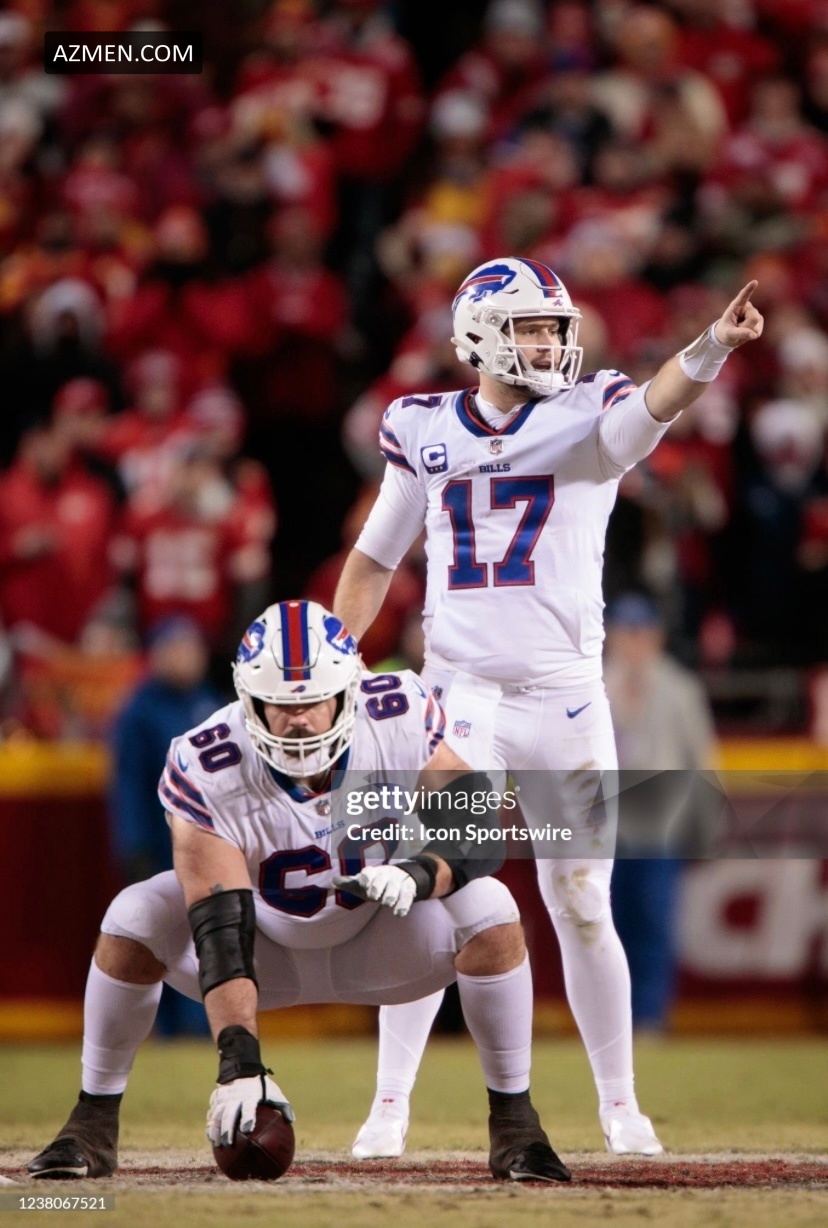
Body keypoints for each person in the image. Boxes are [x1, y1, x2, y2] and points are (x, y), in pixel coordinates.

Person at [332, 256, 763, 1158]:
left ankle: (620, 1106)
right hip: (459, 697)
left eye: (554, 328)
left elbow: (657, 404)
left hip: (566, 700)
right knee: (429, 896)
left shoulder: (587, 414)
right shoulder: (423, 428)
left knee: (581, 900)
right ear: (482, 334)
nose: (550, 344)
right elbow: (374, 560)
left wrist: (712, 347)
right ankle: (388, 1108)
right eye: (532, 327)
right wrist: (340, 657)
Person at [28, 600, 570, 1185]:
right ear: (248, 699)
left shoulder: (398, 714)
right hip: (264, 949)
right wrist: (239, 1063)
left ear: (348, 691)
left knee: (492, 909)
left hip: (379, 940)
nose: (299, 720)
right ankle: (91, 1123)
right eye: (281, 705)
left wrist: (418, 874)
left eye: (313, 700)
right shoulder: (207, 759)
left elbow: (479, 826)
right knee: (133, 916)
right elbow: (221, 926)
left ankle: (516, 1125)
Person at [603, 592, 716, 1032]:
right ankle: (612, 1023)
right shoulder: (594, 683)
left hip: (660, 829)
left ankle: (649, 1020)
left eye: (640, 631)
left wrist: (705, 830)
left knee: (653, 925)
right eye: (624, 631)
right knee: (605, 929)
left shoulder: (680, 688)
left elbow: (702, 761)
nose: (632, 641)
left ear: (656, 636)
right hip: (608, 829)